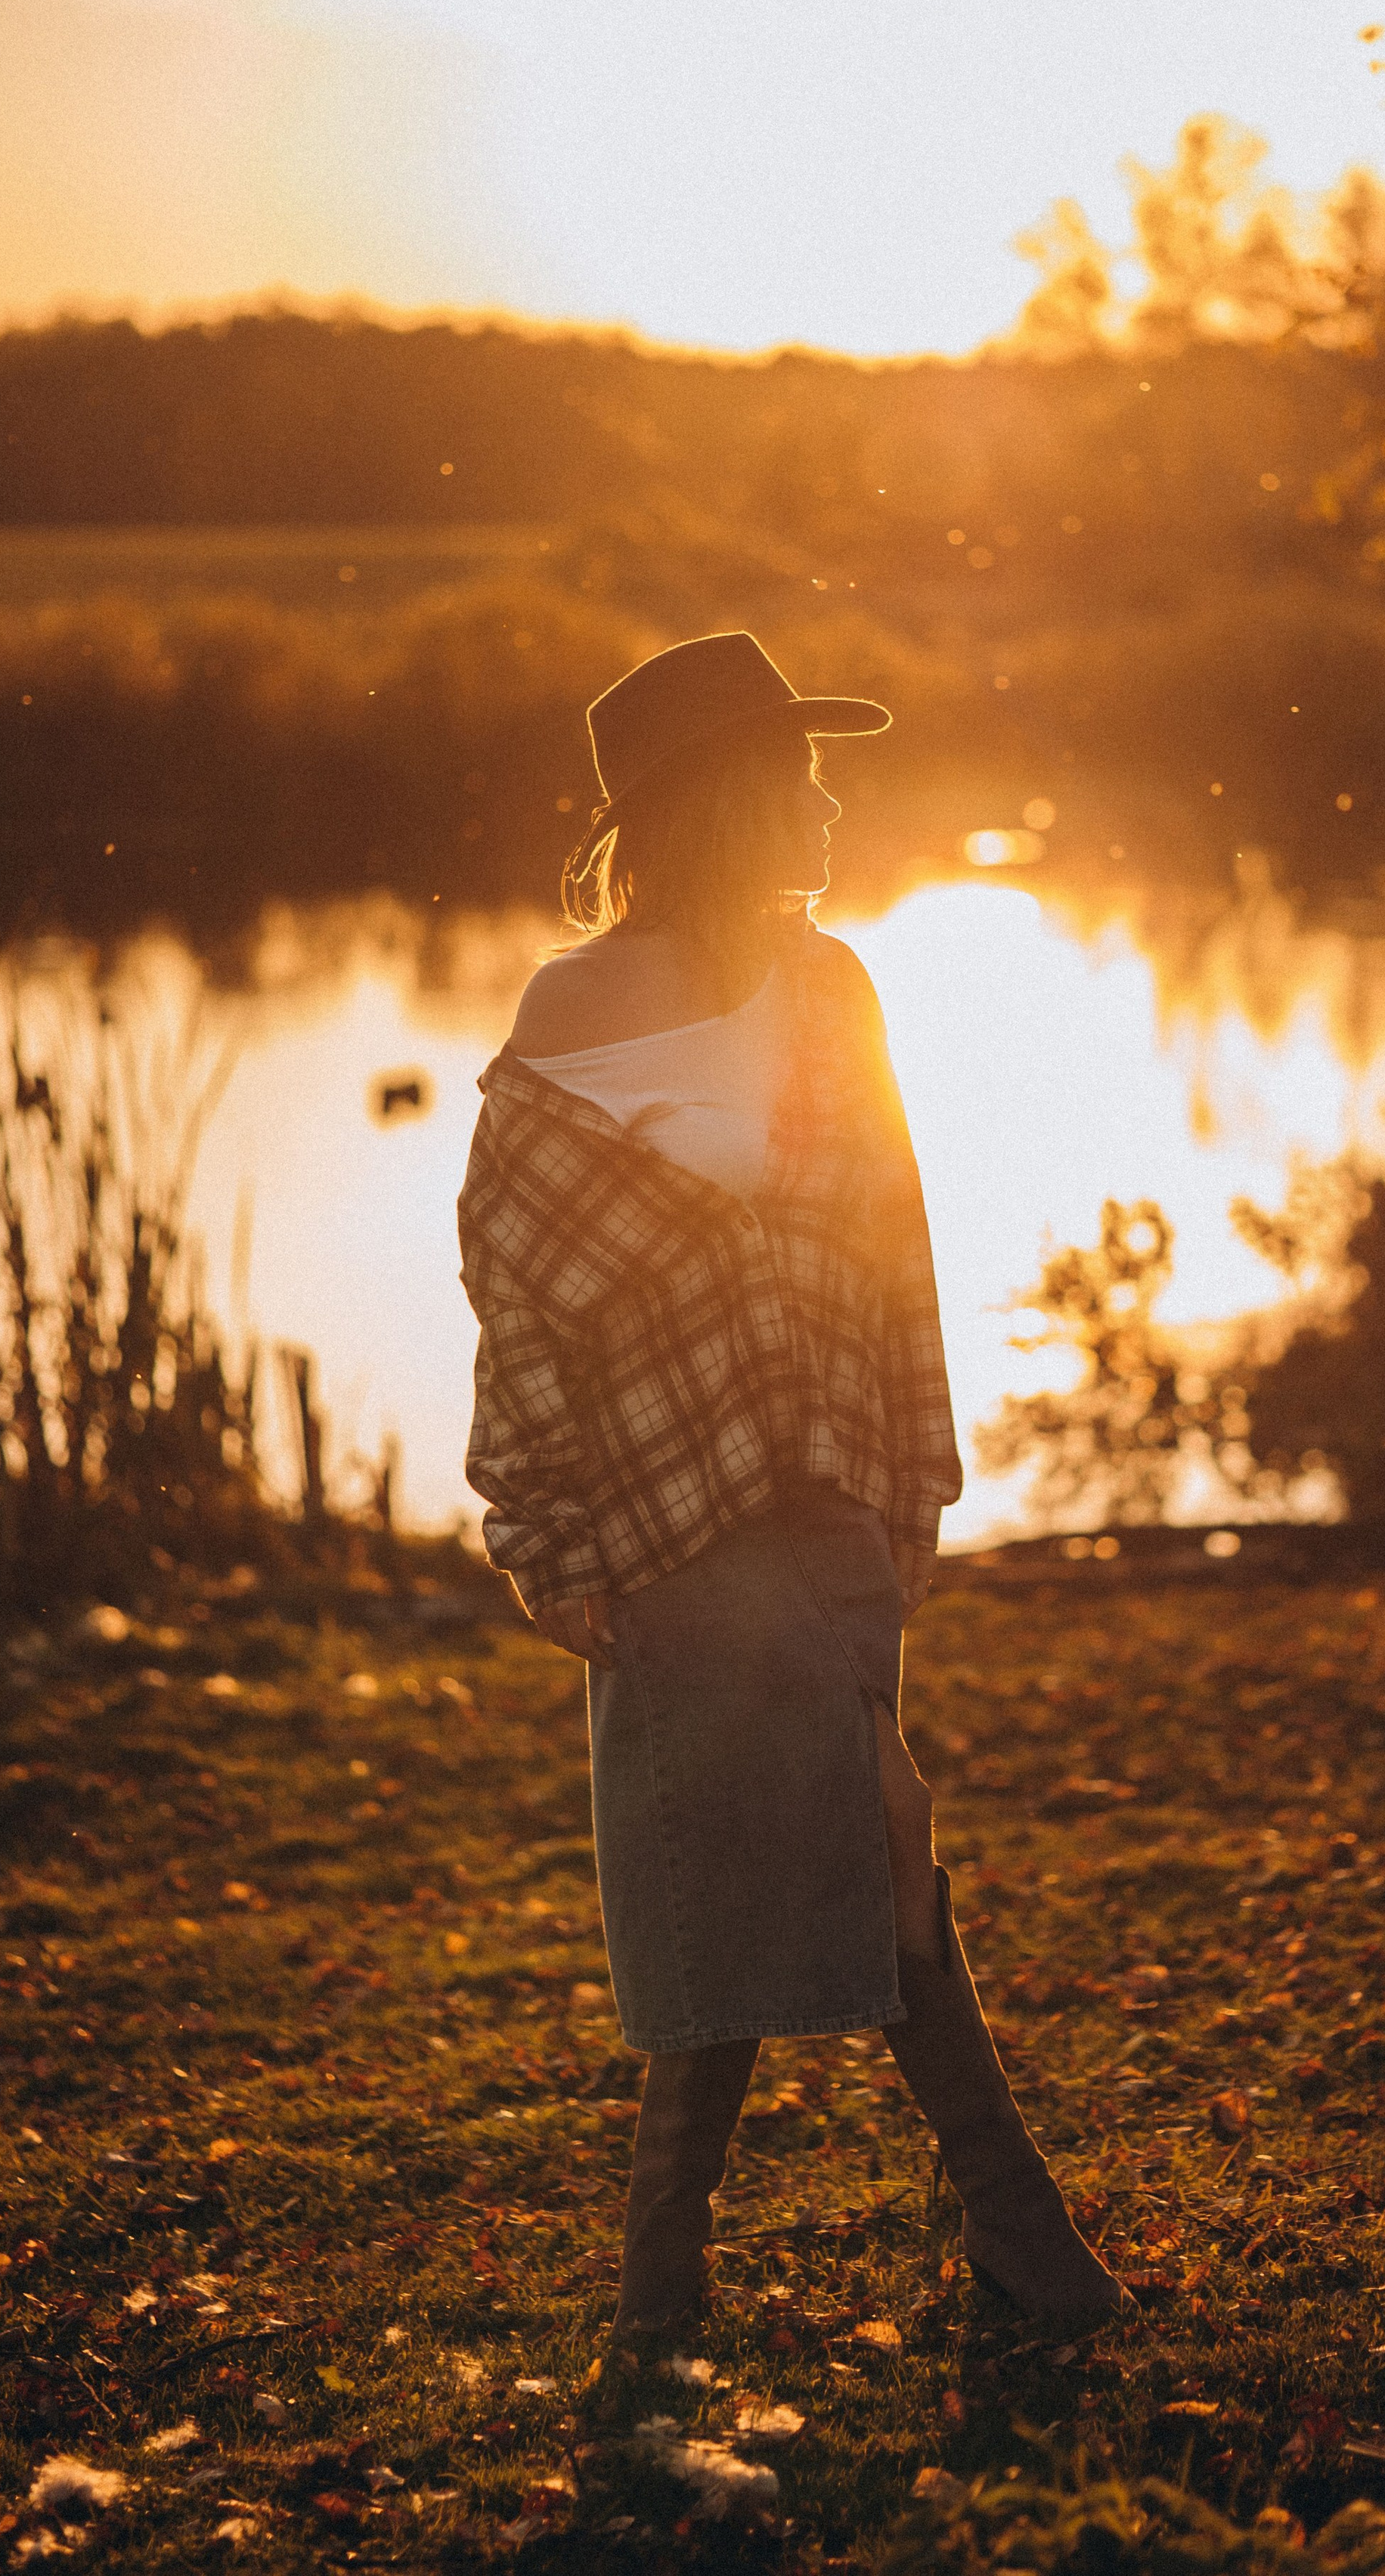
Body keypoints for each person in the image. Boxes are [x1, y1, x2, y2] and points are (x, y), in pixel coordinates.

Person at [458, 631, 1123, 2335]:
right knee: (809, 1851)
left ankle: (678, 2285)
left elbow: (892, 1238)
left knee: (826, 1843)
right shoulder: (569, 1012)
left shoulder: (833, 987)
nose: (826, 798)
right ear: (720, 797)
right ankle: (1000, 2238)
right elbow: (517, 1296)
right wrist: (538, 1535)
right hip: (662, 1523)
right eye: (796, 768)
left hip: (827, 1500)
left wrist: (913, 1478)